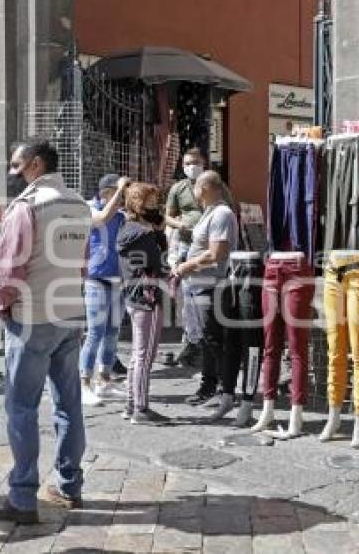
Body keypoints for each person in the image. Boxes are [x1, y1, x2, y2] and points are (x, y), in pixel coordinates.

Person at [0, 138, 91, 523]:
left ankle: (22, 497)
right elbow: (81, 263)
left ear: (34, 165)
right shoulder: (80, 206)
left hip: (31, 316)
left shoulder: (27, 208)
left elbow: (7, 271)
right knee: (69, 404)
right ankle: (69, 485)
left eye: (16, 165)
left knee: (21, 407)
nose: (13, 172)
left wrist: (3, 307)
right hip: (69, 313)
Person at [175, 171, 239, 418]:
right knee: (204, 338)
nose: (194, 192)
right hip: (197, 284)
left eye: (196, 187)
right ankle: (209, 386)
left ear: (204, 188)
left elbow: (216, 254)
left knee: (213, 339)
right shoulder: (210, 213)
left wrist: (186, 267)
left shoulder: (222, 214)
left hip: (209, 286)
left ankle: (225, 390)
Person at [165, 148, 235, 369]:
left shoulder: (219, 199)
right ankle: (193, 343)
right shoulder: (178, 188)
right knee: (188, 302)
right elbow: (168, 215)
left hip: (207, 265)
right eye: (187, 163)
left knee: (209, 321)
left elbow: (217, 253)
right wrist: (180, 226)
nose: (191, 167)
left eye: (195, 162)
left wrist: (188, 264)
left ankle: (215, 374)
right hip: (188, 247)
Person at [117, 183, 170, 425]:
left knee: (137, 354)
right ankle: (141, 408)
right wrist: (159, 234)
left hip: (134, 293)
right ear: (139, 204)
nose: (155, 206)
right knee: (145, 354)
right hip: (147, 296)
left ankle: (131, 404)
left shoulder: (127, 229)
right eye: (150, 202)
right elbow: (157, 262)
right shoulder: (143, 233)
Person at [79, 173, 130, 406]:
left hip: (115, 279)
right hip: (96, 278)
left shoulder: (120, 215)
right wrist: (120, 191)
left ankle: (104, 380)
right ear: (106, 192)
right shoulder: (89, 208)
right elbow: (101, 218)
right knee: (95, 332)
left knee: (112, 332)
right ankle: (84, 383)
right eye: (117, 192)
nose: (122, 196)